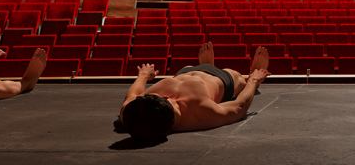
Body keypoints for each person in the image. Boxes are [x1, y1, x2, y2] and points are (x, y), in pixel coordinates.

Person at [115, 44, 270, 140]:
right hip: (221, 80)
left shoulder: (131, 112)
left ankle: (207, 64)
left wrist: (144, 75)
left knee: (188, 66)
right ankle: (249, 75)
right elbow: (238, 106)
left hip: (185, 72)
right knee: (239, 79)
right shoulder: (200, 114)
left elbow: (132, 94)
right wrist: (253, 81)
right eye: (169, 101)